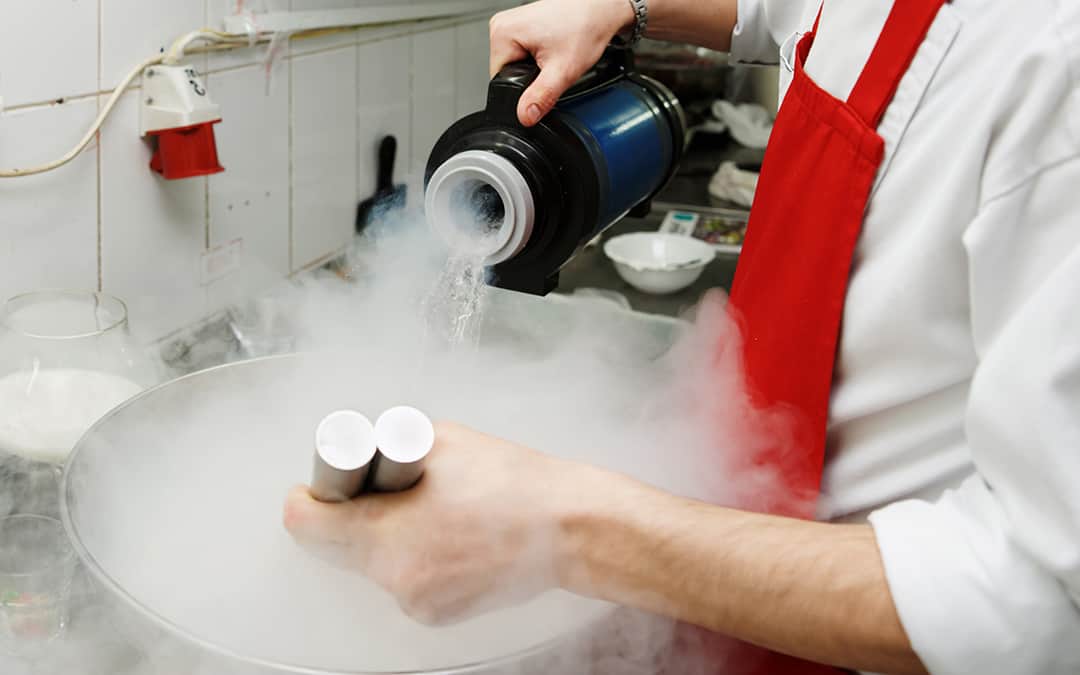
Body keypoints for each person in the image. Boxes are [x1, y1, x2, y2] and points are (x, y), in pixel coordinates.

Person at [284, 1, 1080, 673]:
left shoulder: (1053, 53)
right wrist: (627, 4)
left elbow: (1045, 600)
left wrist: (566, 527)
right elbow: (784, 11)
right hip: (739, 564)